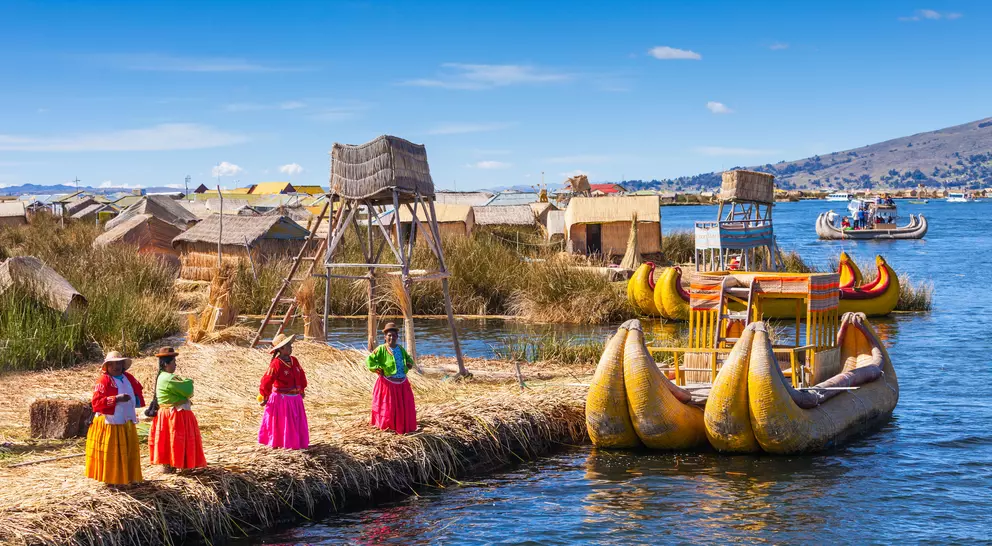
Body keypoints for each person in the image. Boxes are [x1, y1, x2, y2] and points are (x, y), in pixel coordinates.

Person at [85, 351, 144, 485]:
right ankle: (111, 479)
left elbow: (137, 391)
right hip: (110, 422)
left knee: (126, 450)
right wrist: (116, 399)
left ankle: (126, 477)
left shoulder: (128, 377)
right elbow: (96, 402)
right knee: (113, 452)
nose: (116, 367)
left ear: (123, 365)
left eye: (118, 363)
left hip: (126, 420)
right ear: (107, 367)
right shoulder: (104, 380)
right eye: (112, 364)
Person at [146, 347, 207, 472]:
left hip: (169, 412)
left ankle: (171, 465)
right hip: (173, 415)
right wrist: (188, 382)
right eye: (174, 362)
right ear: (166, 363)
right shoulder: (168, 378)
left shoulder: (163, 377)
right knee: (175, 440)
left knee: (170, 440)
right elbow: (188, 389)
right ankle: (177, 464)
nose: (175, 365)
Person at [258, 333, 309, 449]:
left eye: (291, 345)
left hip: (295, 398)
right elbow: (267, 380)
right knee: (285, 423)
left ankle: (297, 443)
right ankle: (283, 444)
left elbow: (301, 375)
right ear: (281, 349)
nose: (291, 347)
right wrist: (265, 396)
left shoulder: (294, 360)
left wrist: (301, 389)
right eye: (288, 345)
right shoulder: (276, 364)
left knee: (296, 422)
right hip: (282, 400)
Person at [367, 323, 418, 434]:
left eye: (394, 335)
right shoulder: (381, 349)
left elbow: (409, 359)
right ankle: (388, 426)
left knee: (403, 406)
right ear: (385, 337)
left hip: (402, 383)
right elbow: (370, 360)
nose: (391, 337)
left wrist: (409, 363)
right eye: (389, 335)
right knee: (389, 407)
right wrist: (378, 369)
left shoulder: (400, 349)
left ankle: (402, 425)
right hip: (388, 384)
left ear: (397, 337)